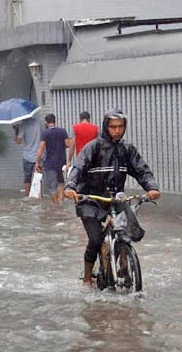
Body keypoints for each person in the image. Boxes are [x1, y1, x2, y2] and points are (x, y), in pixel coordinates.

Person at [64, 108, 161, 288]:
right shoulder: (94, 147)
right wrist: (70, 186)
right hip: (90, 201)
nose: (117, 131)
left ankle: (123, 261)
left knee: (127, 230)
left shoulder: (127, 150)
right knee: (95, 239)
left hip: (115, 201)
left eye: (120, 127)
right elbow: (77, 168)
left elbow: (142, 171)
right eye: (113, 127)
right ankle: (87, 278)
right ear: (106, 127)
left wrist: (151, 187)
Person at [34, 114, 70, 203]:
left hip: (50, 163)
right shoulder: (63, 131)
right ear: (54, 121)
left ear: (46, 123)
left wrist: (37, 161)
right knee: (61, 182)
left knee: (52, 185)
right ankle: (61, 202)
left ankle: (56, 205)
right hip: (61, 161)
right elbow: (68, 144)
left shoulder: (45, 133)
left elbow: (41, 148)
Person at [13, 116, 42, 196]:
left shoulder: (23, 125)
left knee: (27, 178)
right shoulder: (38, 122)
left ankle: (28, 196)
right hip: (38, 155)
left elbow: (18, 141)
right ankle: (40, 196)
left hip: (27, 156)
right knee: (38, 177)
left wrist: (16, 130)